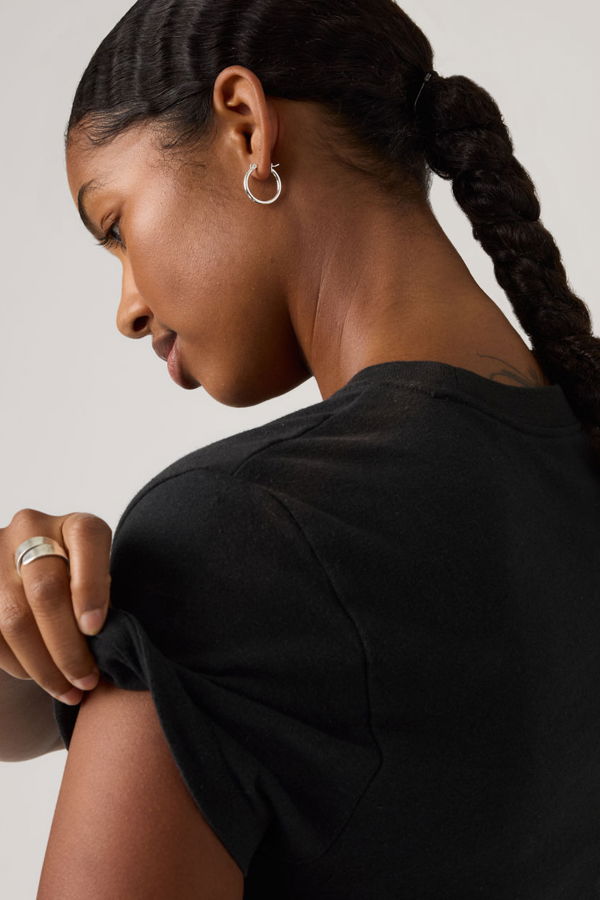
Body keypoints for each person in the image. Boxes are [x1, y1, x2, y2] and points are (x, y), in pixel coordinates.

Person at [1, 1, 599, 897]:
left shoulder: (237, 532)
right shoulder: (573, 459)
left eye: (117, 225)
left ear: (246, 126)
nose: (127, 308)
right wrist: (28, 623)